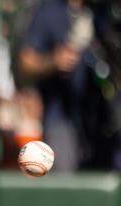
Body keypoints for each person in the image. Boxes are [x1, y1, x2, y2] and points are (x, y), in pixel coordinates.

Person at [19, 0, 94, 171]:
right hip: (61, 118)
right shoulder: (49, 12)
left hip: (99, 118)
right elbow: (26, 61)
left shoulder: (101, 11)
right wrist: (53, 60)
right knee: (67, 183)